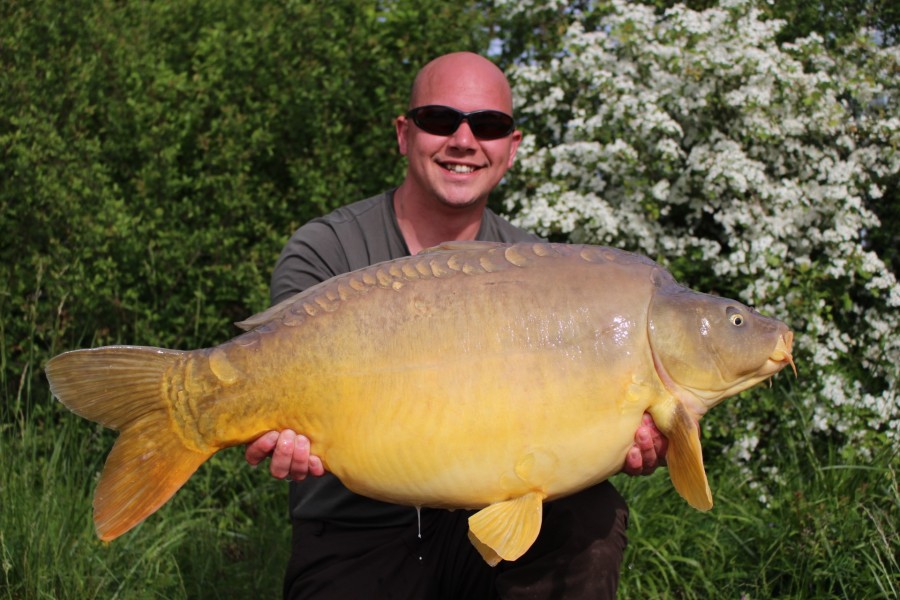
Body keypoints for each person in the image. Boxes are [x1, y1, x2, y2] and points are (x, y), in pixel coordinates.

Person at [245, 52, 668, 599]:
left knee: (592, 513)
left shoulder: (546, 272)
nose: (464, 140)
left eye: (487, 125)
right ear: (404, 133)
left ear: (511, 148)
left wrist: (630, 442)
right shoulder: (326, 250)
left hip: (495, 533)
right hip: (357, 533)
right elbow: (278, 379)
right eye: (441, 120)